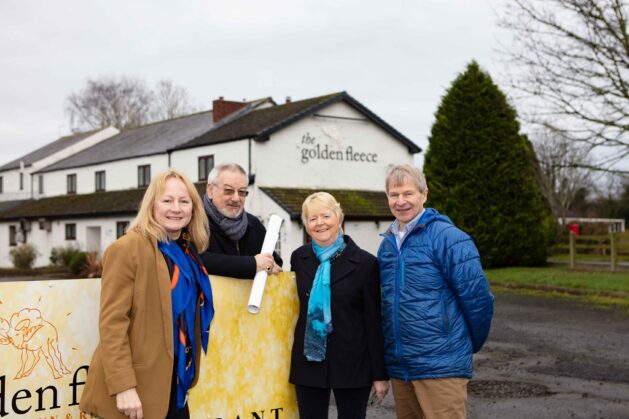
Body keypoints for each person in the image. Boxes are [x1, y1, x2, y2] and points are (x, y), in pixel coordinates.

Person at [80, 169, 214, 419]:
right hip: (136, 392)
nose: (176, 208)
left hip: (175, 387)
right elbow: (113, 324)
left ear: (193, 209)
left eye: (184, 201)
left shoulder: (187, 254)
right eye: (167, 200)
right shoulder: (127, 249)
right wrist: (123, 386)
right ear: (152, 205)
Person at [377, 164, 494, 419]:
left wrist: (457, 347)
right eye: (394, 195)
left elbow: (479, 302)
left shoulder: (449, 238)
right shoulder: (386, 246)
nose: (401, 201)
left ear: (424, 194)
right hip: (402, 368)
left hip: (442, 368)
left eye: (408, 193)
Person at [289, 192, 389, 419]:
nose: (319, 223)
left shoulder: (366, 263)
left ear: (339, 218)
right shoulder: (299, 258)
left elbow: (373, 322)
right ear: (305, 224)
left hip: (353, 363)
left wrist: (379, 374)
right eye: (312, 218)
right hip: (309, 362)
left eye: (326, 215)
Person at [200, 163, 282, 278]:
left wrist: (269, 267)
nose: (236, 198)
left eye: (242, 192)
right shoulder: (195, 222)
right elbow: (199, 260)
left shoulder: (253, 224)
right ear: (210, 190)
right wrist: (253, 264)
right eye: (228, 191)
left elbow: (274, 262)